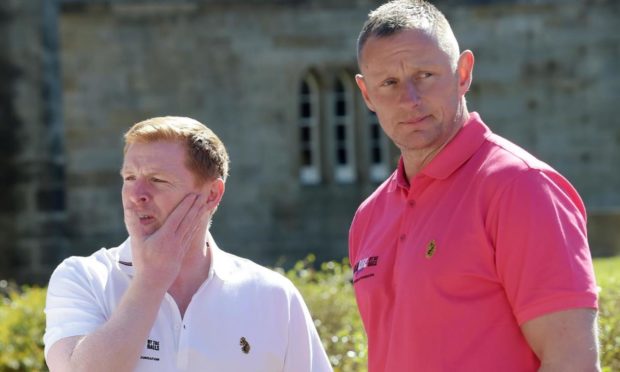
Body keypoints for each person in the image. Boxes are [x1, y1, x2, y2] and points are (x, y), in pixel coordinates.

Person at [349, 1, 599, 371]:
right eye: (389, 83)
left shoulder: (521, 188)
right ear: (367, 94)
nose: (410, 100)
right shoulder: (370, 215)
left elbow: (572, 360)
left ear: (463, 73)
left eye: (425, 75)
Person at [44, 116, 332, 372]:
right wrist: (152, 280)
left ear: (212, 194)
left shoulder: (272, 295)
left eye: (157, 180)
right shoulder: (83, 278)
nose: (136, 194)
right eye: (129, 177)